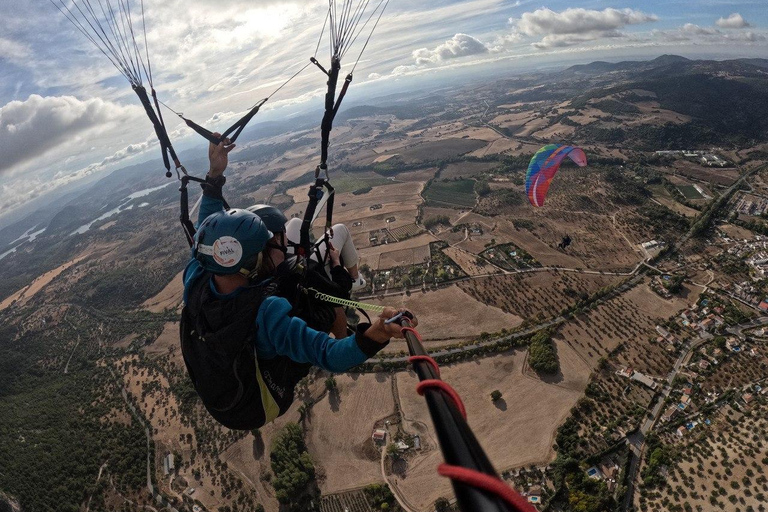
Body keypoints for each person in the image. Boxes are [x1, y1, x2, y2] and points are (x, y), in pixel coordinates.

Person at [180, 135, 416, 430]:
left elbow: (209, 223)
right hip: (260, 404)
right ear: (253, 263)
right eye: (270, 248)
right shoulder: (266, 317)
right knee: (320, 306)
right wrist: (376, 334)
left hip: (222, 396)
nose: (277, 250)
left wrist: (215, 174)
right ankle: (346, 293)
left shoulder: (198, 275)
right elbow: (329, 356)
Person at [285, 216, 366, 291]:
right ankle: (355, 279)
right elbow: (341, 293)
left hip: (284, 266)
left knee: (296, 223)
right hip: (304, 278)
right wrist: (336, 262)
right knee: (341, 229)